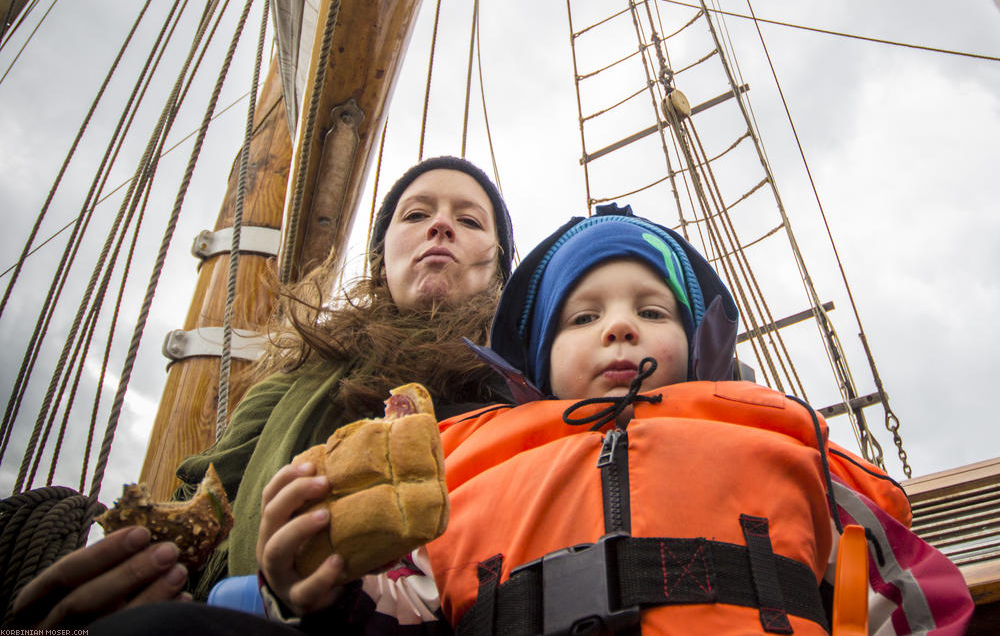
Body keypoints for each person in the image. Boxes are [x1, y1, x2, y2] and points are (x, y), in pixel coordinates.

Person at [286, 203, 972, 634]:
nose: (619, 328)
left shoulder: (779, 435)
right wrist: (324, 595)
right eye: (584, 317)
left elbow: (905, 591)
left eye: (651, 311)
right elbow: (400, 605)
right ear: (539, 359)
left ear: (696, 343)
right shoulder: (462, 463)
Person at [8, 155, 516, 629]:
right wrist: (147, 584)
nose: (440, 225)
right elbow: (201, 503)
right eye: (415, 214)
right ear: (383, 257)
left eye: (470, 221)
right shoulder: (290, 384)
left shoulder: (526, 393)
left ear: (499, 271)